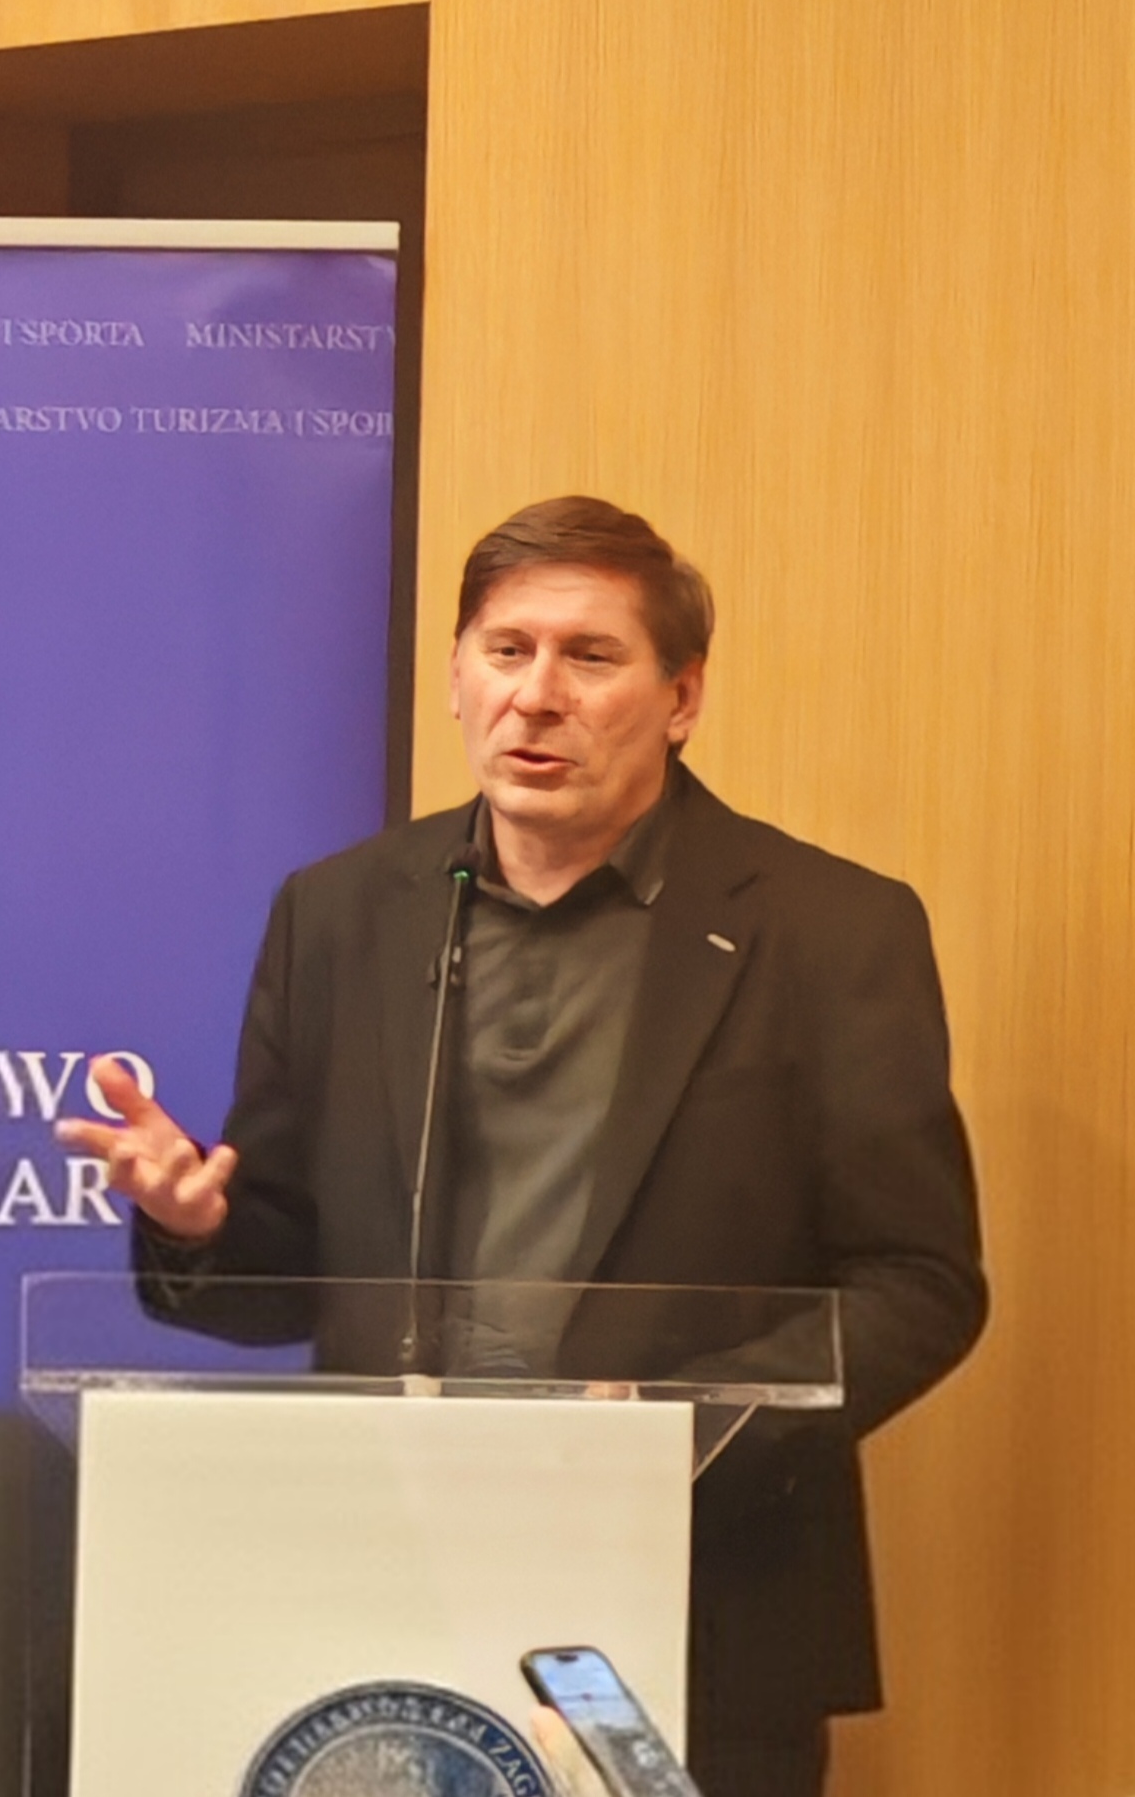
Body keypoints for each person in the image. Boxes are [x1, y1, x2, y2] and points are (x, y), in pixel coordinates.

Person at [55, 495, 987, 1797]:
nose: (537, 696)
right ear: (457, 678)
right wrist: (198, 1224)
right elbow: (291, 1278)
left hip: (696, 1600)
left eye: (590, 657)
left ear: (681, 697)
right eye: (507, 651)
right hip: (380, 1595)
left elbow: (920, 1284)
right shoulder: (341, 914)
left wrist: (674, 1431)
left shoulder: (830, 930)